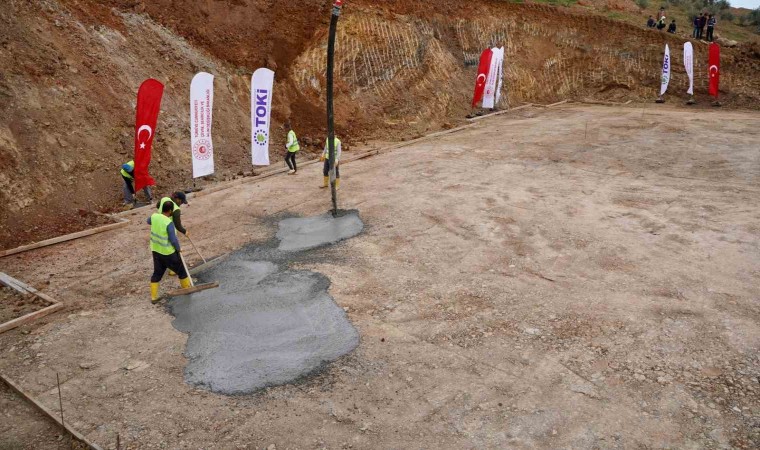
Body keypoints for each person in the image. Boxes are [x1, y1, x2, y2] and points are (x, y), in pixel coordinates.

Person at [147, 201, 191, 303]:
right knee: (181, 270)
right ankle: (187, 289)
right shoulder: (168, 223)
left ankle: (153, 297)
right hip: (168, 253)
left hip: (156, 251)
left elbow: (148, 221)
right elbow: (173, 239)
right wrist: (178, 248)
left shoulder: (154, 216)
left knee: (157, 273)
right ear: (170, 210)